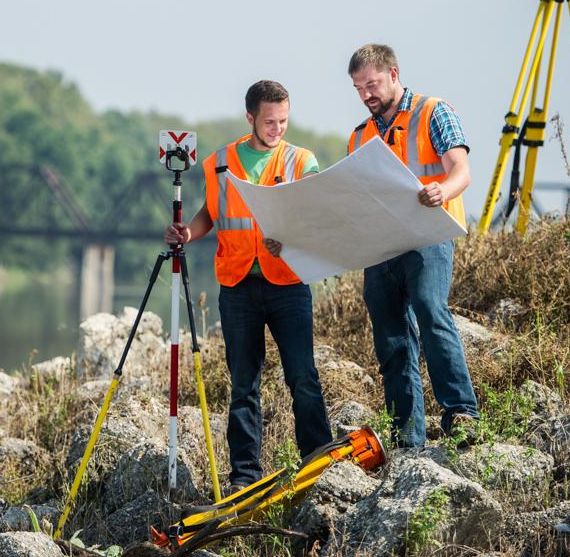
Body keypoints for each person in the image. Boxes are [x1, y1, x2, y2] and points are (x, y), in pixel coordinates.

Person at [164, 79, 333, 490]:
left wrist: (290, 237)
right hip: (237, 285)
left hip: (287, 285)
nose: (278, 129)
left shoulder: (301, 160)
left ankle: (319, 463)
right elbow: (211, 212)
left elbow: (313, 216)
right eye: (270, 121)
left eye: (284, 121)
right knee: (243, 385)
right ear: (251, 118)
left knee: (303, 378)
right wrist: (189, 232)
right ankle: (244, 477)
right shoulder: (220, 162)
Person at [346, 43, 479, 448]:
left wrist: (443, 189)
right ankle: (407, 438)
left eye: (371, 84)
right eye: (358, 88)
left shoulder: (433, 111)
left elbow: (461, 170)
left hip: (428, 236)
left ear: (393, 74)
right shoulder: (359, 136)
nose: (366, 94)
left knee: (429, 310)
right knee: (390, 337)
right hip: (383, 246)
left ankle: (461, 413)